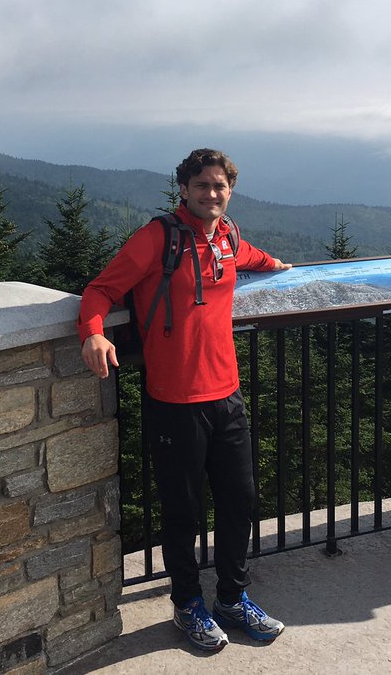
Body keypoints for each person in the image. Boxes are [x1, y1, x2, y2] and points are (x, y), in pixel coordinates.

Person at [79, 148, 291, 652]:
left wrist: (277, 265)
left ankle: (233, 599)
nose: (211, 194)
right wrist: (93, 334)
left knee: (240, 502)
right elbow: (100, 290)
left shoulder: (227, 236)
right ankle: (188, 604)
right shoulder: (158, 238)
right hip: (173, 400)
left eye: (219, 186)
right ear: (184, 189)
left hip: (227, 396)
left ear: (229, 191)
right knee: (183, 511)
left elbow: (252, 257)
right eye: (202, 186)